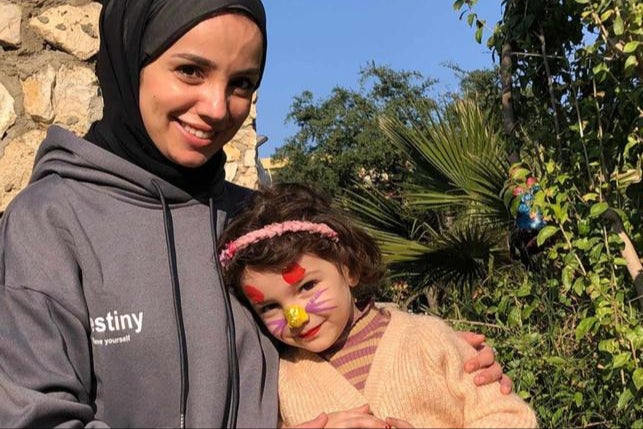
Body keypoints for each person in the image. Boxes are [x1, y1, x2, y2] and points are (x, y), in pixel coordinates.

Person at [0, 1, 508, 427]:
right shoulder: (49, 224)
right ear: (129, 59)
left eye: (242, 82)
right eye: (191, 70)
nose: (217, 107)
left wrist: (436, 363)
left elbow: (338, 337)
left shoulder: (256, 226)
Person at [218, 183, 539, 428]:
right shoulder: (281, 381)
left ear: (350, 268)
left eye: (307, 286)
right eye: (270, 307)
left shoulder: (428, 338)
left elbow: (510, 417)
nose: (296, 316)